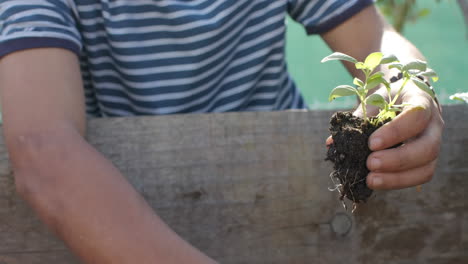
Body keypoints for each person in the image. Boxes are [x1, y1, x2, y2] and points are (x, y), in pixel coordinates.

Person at [0, 0, 444, 263]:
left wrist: (410, 88)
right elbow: (44, 150)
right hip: (120, 231)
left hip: (290, 206)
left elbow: (373, 38)